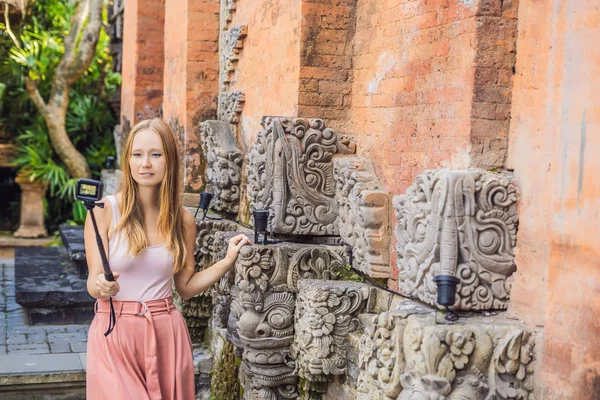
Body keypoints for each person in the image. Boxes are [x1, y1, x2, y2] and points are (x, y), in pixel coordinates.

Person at [83, 118, 251, 399]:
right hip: (115, 331)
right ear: (128, 161)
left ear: (169, 160)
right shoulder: (102, 210)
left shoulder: (183, 220)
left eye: (155, 154)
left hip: (165, 332)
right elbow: (92, 281)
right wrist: (101, 286)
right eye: (137, 154)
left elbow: (184, 286)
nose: (145, 163)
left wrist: (226, 261)